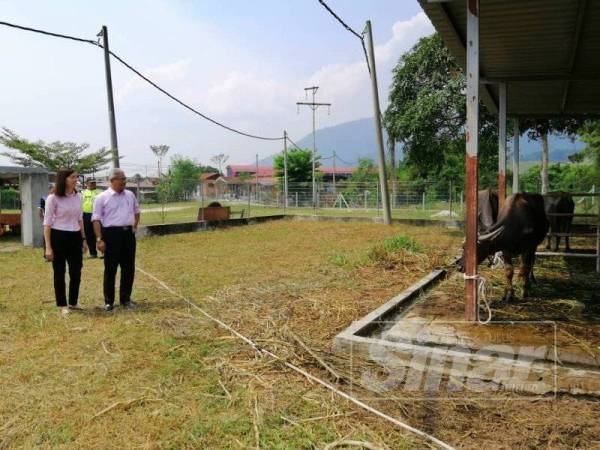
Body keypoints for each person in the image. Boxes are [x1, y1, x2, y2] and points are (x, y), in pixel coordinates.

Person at [92, 168, 140, 311]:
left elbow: (137, 212)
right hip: (111, 235)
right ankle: (109, 301)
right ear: (112, 180)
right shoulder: (102, 197)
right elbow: (96, 219)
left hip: (127, 235)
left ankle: (126, 299)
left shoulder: (130, 195)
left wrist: (134, 226)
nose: (124, 182)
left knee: (128, 268)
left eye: (125, 179)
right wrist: (99, 239)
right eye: (121, 179)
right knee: (110, 268)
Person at [43, 170, 87, 316]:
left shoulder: (78, 197)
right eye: (73, 177)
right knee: (59, 272)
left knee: (76, 271)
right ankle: (62, 304)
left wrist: (84, 239)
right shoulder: (53, 198)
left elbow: (80, 219)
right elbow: (47, 223)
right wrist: (48, 247)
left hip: (75, 236)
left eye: (76, 177)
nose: (76, 179)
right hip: (58, 236)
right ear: (64, 179)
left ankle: (73, 302)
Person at [81, 178, 102, 258]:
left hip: (98, 214)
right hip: (86, 215)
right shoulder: (82, 193)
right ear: (87, 184)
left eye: (94, 183)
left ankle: (104, 252)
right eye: (91, 183)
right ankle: (93, 253)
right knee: (89, 234)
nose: (93, 184)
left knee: (100, 233)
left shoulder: (100, 192)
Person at [38, 184, 54, 261]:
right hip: (48, 221)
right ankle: (46, 255)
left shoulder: (59, 198)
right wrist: (43, 220)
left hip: (57, 222)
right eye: (53, 188)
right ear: (50, 189)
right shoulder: (44, 198)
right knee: (46, 238)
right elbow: (40, 210)